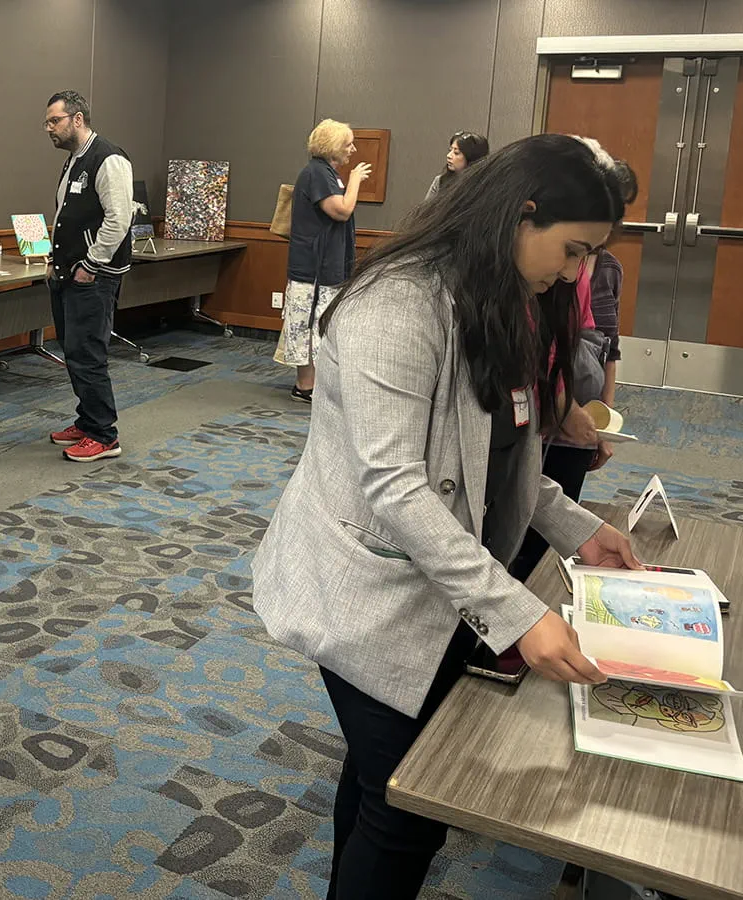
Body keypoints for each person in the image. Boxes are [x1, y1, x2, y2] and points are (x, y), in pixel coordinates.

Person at [249, 133, 643, 900]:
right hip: (366, 589)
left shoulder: (506, 295)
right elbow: (397, 487)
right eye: (571, 249)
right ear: (519, 215)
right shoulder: (397, 304)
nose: (575, 272)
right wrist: (519, 615)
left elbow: (504, 455)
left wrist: (577, 529)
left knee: (384, 779)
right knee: (407, 809)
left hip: (447, 582)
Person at [507, 159, 637, 584]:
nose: (570, 270)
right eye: (571, 251)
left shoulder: (594, 273)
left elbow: (603, 348)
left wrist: (602, 416)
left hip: (557, 418)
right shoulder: (421, 304)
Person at [43, 89, 134, 462]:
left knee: (88, 354)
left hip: (93, 278)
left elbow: (119, 218)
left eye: (54, 121)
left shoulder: (108, 158)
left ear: (77, 119)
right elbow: (66, 215)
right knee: (74, 351)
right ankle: (87, 420)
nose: (48, 128)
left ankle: (103, 434)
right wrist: (54, 258)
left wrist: (91, 263)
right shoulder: (74, 160)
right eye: (46, 122)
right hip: (67, 273)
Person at [279, 118, 369, 403]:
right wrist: (355, 181)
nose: (352, 149)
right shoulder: (317, 173)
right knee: (309, 322)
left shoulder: (326, 173)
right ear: (332, 147)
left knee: (318, 321)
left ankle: (310, 384)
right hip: (313, 268)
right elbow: (340, 210)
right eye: (348, 144)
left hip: (324, 264)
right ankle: (306, 385)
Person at [425, 130, 491, 200]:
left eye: (456, 153)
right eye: (450, 150)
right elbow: (426, 209)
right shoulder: (440, 182)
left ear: (471, 158)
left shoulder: (486, 187)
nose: (449, 155)